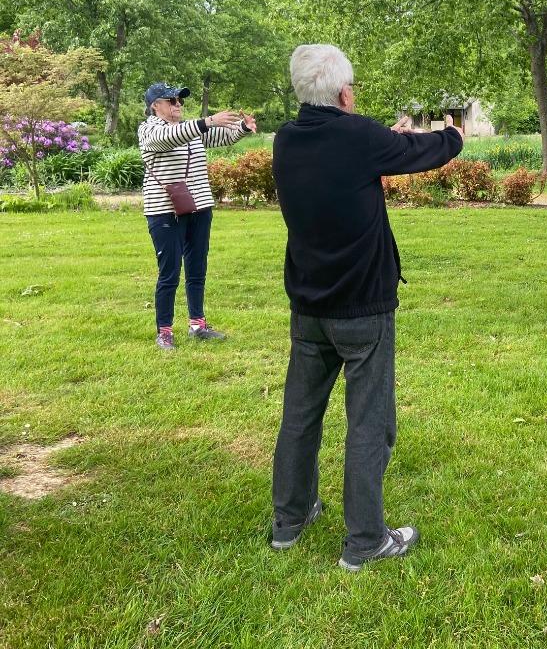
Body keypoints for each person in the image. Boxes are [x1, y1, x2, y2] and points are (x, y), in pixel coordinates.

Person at [270, 44, 464, 571]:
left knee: (300, 415)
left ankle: (288, 520)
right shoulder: (359, 135)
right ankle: (365, 540)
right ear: (345, 92)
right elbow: (428, 152)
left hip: (309, 304)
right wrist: (453, 133)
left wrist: (389, 139)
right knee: (369, 422)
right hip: (361, 308)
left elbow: (369, 158)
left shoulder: (285, 140)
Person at [138, 82, 256, 350]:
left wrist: (243, 128)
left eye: (180, 101)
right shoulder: (149, 130)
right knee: (169, 273)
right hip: (165, 210)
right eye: (172, 101)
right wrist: (208, 120)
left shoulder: (188, 130)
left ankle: (197, 325)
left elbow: (218, 137)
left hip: (200, 206)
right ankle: (164, 331)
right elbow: (168, 138)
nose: (178, 105)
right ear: (155, 106)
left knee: (197, 269)